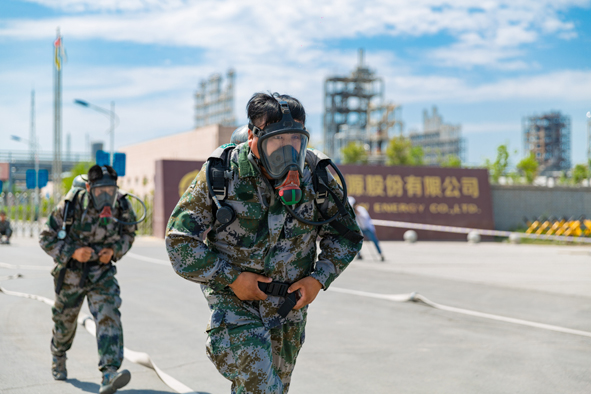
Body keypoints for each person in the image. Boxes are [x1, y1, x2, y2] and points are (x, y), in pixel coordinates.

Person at [166, 92, 362, 394]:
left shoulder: (316, 176)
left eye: (295, 141)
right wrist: (232, 279)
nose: (288, 151)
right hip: (235, 304)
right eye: (276, 141)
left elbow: (347, 236)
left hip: (289, 309)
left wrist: (317, 280)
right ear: (252, 137)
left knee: (273, 389)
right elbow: (180, 242)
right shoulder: (222, 173)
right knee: (260, 386)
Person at [39, 165, 137, 394]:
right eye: (101, 191)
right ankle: (59, 354)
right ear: (89, 188)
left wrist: (114, 251)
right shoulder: (70, 205)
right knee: (65, 322)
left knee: (109, 315)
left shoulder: (121, 204)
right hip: (72, 273)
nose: (106, 196)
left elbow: (130, 232)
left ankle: (109, 373)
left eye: (110, 191)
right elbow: (45, 237)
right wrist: (72, 252)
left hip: (102, 273)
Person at [348, 197, 385, 261]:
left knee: (374, 241)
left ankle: (380, 254)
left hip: (367, 228)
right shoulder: (352, 212)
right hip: (360, 228)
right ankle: (359, 255)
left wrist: (358, 213)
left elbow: (365, 217)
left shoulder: (361, 209)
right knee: (356, 241)